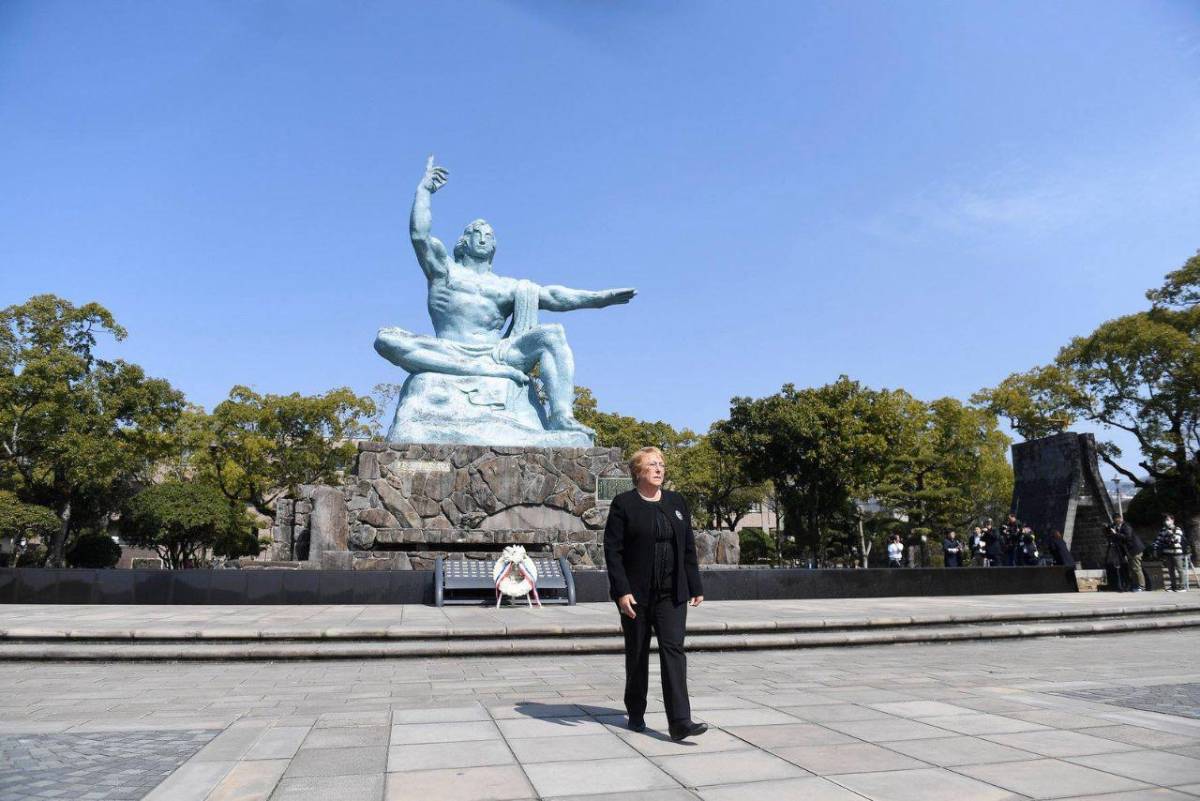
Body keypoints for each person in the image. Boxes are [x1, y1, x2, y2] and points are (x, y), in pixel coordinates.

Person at [603, 446, 707, 741]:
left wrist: (695, 585)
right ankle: (635, 711)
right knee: (637, 654)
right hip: (637, 596)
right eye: (652, 464)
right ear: (638, 471)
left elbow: (687, 546)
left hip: (671, 594)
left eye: (661, 464)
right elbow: (613, 551)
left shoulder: (677, 502)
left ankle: (680, 722)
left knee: (674, 652)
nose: (659, 469)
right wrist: (621, 592)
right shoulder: (624, 504)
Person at [1113, 515, 1146, 592]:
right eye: (1115, 520)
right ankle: (1136, 585)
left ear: (1120, 519)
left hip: (1135, 550)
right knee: (1132, 569)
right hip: (1130, 551)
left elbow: (1128, 537)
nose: (1116, 521)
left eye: (1117, 519)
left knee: (1137, 568)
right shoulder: (1118, 528)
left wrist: (1116, 534)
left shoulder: (1126, 526)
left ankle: (1142, 586)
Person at [1155, 515, 1188, 592]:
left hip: (1177, 553)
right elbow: (1159, 540)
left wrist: (1171, 534)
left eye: (1168, 519)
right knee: (1170, 570)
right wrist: (1155, 547)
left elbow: (1177, 540)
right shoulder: (1163, 530)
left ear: (1172, 520)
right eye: (1165, 520)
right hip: (1167, 553)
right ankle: (1173, 586)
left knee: (1180, 569)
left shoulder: (1177, 529)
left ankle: (1182, 586)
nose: (1166, 521)